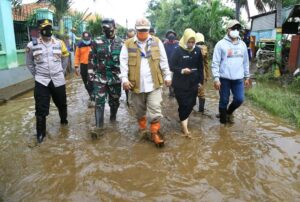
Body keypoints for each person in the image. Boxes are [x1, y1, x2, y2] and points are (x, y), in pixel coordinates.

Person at [120, 17, 171, 146]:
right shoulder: (128, 44)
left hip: (154, 84)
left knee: (155, 110)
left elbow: (163, 60)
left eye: (145, 30)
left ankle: (154, 133)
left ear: (149, 29)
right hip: (136, 85)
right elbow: (123, 63)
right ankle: (143, 130)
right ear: (136, 30)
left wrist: (167, 75)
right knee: (139, 111)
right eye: (140, 30)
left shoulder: (157, 42)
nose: (143, 32)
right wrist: (124, 79)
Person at [26, 19, 69, 143]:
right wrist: (37, 75)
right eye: (45, 28)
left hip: (58, 79)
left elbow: (65, 57)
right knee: (41, 108)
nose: (48, 30)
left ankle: (64, 121)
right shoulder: (31, 45)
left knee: (62, 103)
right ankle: (40, 134)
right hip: (41, 81)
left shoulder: (59, 43)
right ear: (40, 30)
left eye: (49, 27)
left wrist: (62, 70)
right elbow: (29, 63)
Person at [211, 19, 250, 124]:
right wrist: (216, 78)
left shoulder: (242, 45)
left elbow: (245, 62)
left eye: (238, 28)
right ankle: (223, 125)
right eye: (233, 28)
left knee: (239, 99)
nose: (236, 30)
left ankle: (228, 112)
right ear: (228, 30)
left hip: (238, 79)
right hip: (224, 79)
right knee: (224, 100)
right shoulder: (220, 44)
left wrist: (247, 77)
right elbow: (215, 63)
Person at [88, 18, 123, 129]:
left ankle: (113, 118)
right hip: (100, 78)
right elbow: (91, 60)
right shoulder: (96, 41)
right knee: (99, 102)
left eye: (108, 27)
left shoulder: (121, 43)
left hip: (115, 78)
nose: (106, 30)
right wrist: (91, 77)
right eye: (104, 28)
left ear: (114, 27)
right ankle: (99, 128)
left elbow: (125, 62)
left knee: (115, 101)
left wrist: (126, 77)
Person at [170, 28, 203, 136]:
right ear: (185, 40)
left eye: (193, 42)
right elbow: (172, 66)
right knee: (184, 104)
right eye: (189, 42)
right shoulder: (177, 50)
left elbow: (200, 67)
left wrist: (200, 81)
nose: (191, 44)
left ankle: (183, 120)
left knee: (191, 103)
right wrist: (182, 71)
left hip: (193, 82)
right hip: (180, 83)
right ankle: (185, 128)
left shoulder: (197, 50)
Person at [74, 31, 94, 107]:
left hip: (92, 65)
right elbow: (76, 56)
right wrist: (76, 66)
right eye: (85, 38)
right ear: (82, 38)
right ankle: (91, 95)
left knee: (92, 81)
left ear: (90, 38)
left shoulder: (94, 44)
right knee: (85, 82)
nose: (86, 40)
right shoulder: (79, 45)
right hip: (83, 66)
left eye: (87, 38)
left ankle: (93, 97)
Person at [195, 32, 210, 113]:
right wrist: (207, 75)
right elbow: (206, 63)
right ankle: (201, 111)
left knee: (192, 90)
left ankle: (192, 107)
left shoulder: (191, 48)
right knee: (201, 92)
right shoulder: (205, 49)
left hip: (193, 73)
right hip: (202, 73)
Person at [164, 29, 179, 97]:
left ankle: (176, 90)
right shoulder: (165, 44)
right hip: (168, 65)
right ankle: (171, 91)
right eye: (169, 34)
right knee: (170, 78)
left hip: (177, 64)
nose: (171, 35)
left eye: (172, 34)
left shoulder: (178, 44)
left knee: (176, 78)